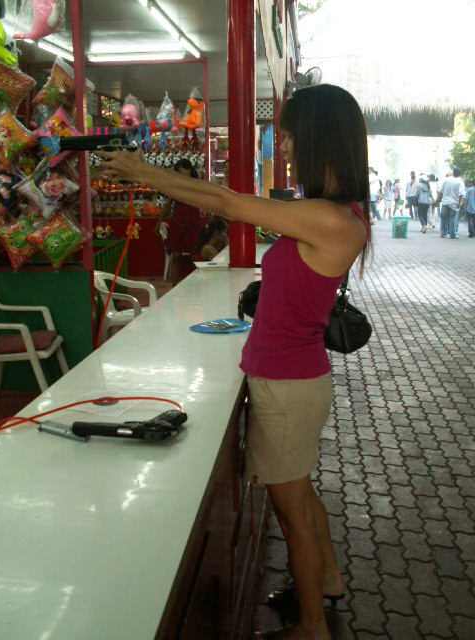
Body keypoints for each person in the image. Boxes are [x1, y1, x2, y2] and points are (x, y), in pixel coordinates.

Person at [99, 84, 372, 640]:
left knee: (291, 509)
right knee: (301, 493)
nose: (284, 146)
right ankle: (329, 580)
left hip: (288, 386)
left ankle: (312, 628)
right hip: (290, 379)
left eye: (290, 136)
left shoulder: (331, 219)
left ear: (320, 138)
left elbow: (224, 202)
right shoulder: (329, 214)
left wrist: (142, 171)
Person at [154, 159, 207, 285]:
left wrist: (210, 219)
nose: (178, 174)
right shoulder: (176, 186)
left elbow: (206, 203)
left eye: (180, 171)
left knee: (195, 255)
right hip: (177, 223)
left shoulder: (198, 185)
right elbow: (167, 206)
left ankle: (198, 285)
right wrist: (158, 222)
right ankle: (174, 286)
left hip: (193, 223)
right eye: (177, 172)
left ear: (189, 169)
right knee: (176, 255)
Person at [437, 167, 466, 239]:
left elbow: (440, 191)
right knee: (453, 219)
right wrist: (459, 203)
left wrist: (437, 199)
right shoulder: (460, 182)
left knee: (443, 218)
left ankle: (443, 233)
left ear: (453, 172)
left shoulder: (446, 180)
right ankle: (452, 234)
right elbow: (461, 194)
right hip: (454, 203)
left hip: (445, 202)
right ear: (460, 174)